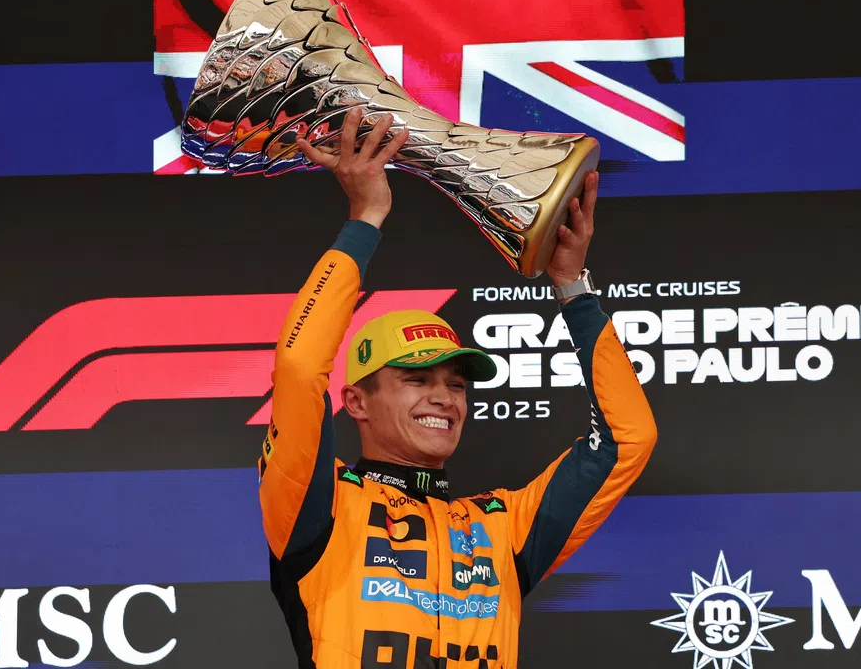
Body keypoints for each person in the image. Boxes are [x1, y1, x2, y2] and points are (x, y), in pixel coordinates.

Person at [258, 107, 657, 669]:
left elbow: (628, 438)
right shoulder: (317, 505)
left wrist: (572, 286)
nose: (445, 398)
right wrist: (365, 218)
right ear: (356, 402)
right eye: (416, 379)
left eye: (456, 383)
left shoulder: (502, 529)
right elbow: (300, 368)